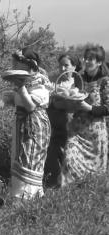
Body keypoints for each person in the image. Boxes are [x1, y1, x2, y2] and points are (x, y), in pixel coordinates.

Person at [6, 48, 52, 199]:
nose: (13, 66)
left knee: (30, 160)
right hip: (21, 124)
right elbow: (15, 100)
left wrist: (20, 87)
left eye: (16, 64)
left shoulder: (40, 82)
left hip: (35, 126)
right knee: (19, 158)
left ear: (27, 65)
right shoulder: (25, 83)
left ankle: (30, 199)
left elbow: (31, 106)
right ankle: (18, 198)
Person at [61, 46, 109, 186]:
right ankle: (68, 191)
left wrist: (90, 108)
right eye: (85, 58)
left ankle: (88, 193)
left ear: (99, 62)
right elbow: (74, 97)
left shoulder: (105, 81)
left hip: (95, 132)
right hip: (77, 130)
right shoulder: (79, 77)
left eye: (91, 59)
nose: (87, 61)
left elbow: (107, 107)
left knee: (95, 171)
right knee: (69, 155)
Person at [43, 54, 81, 188]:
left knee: (69, 151)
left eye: (66, 65)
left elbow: (78, 102)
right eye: (60, 65)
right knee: (53, 151)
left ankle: (72, 183)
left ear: (74, 67)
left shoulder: (77, 82)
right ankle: (53, 183)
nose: (62, 68)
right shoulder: (55, 81)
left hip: (70, 122)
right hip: (53, 121)